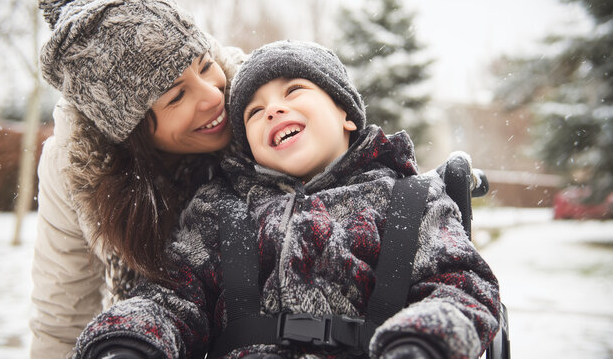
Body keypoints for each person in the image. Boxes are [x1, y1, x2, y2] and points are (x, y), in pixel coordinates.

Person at [72, 40, 500, 359]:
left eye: (293, 90)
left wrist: (421, 341)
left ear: (346, 114)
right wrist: (129, 340)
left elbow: (459, 286)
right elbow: (172, 298)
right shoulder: (222, 212)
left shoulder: (410, 200)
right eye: (254, 112)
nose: (273, 110)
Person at [30, 0, 245, 357]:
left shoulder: (263, 111)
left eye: (206, 66)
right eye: (177, 95)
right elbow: (62, 314)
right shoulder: (77, 169)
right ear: (130, 132)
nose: (213, 95)